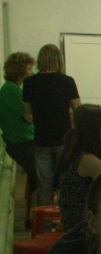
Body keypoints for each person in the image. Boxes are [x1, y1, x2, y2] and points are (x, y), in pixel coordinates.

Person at [22, 43, 81, 205]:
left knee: (44, 184)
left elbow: (27, 114)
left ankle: (45, 218)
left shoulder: (29, 82)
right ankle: (64, 216)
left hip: (41, 139)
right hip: (64, 138)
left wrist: (42, 115)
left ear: (40, 60)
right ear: (59, 60)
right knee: (64, 181)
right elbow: (79, 110)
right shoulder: (67, 81)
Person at [0, 52, 38, 219]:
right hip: (20, 143)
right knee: (41, 176)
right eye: (29, 68)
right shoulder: (11, 90)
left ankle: (33, 213)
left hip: (22, 140)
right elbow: (28, 117)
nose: (32, 72)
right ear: (19, 70)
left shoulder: (12, 89)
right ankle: (34, 215)